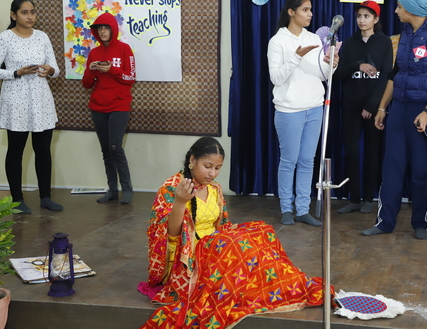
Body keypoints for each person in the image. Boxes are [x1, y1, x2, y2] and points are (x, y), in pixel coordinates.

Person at [137, 137, 327, 328]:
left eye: (218, 168)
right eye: (208, 166)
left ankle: (290, 284)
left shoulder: (215, 189)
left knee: (262, 232)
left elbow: (223, 226)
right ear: (192, 160)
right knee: (237, 249)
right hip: (190, 257)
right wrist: (179, 202)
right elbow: (168, 236)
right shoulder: (172, 187)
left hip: (215, 245)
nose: (212, 173)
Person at [362, 0, 427, 240]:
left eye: (400, 6)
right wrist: (383, 107)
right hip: (401, 107)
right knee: (391, 166)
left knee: (421, 168)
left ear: (413, 8)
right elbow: (395, 73)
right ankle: (385, 221)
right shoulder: (405, 33)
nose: (395, 10)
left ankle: (421, 223)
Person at [0, 0, 63, 214]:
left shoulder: (42, 37)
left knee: (43, 149)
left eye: (32, 12)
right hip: (15, 99)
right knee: (16, 150)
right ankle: (17, 200)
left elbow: (56, 69)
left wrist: (49, 70)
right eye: (24, 12)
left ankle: (45, 197)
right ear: (13, 15)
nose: (30, 17)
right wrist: (16, 73)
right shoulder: (5, 38)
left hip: (41, 99)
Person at [267, 0, 338, 227]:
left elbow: (321, 75)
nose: (310, 14)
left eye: (310, 10)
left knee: (308, 161)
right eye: (305, 10)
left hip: (315, 107)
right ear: (291, 12)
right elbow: (277, 78)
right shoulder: (278, 41)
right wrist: (296, 57)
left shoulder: (315, 39)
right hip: (289, 110)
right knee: (289, 161)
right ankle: (286, 208)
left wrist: (331, 65)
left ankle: (303, 209)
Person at [334, 0, 393, 214]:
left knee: (372, 152)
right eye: (359, 16)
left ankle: (369, 197)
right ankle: (355, 198)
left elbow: (386, 76)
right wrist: (357, 66)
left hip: (374, 107)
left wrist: (373, 105)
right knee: (351, 151)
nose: (361, 20)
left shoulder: (384, 42)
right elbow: (339, 73)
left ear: (376, 19)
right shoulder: (350, 42)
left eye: (366, 16)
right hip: (351, 105)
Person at [82, 12, 136, 204]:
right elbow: (87, 84)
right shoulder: (94, 53)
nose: (103, 32)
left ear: (113, 29)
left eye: (106, 28)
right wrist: (91, 70)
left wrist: (111, 70)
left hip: (119, 105)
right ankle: (112, 189)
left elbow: (131, 78)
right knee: (106, 149)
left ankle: (127, 189)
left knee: (115, 147)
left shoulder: (124, 49)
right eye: (100, 29)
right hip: (98, 107)